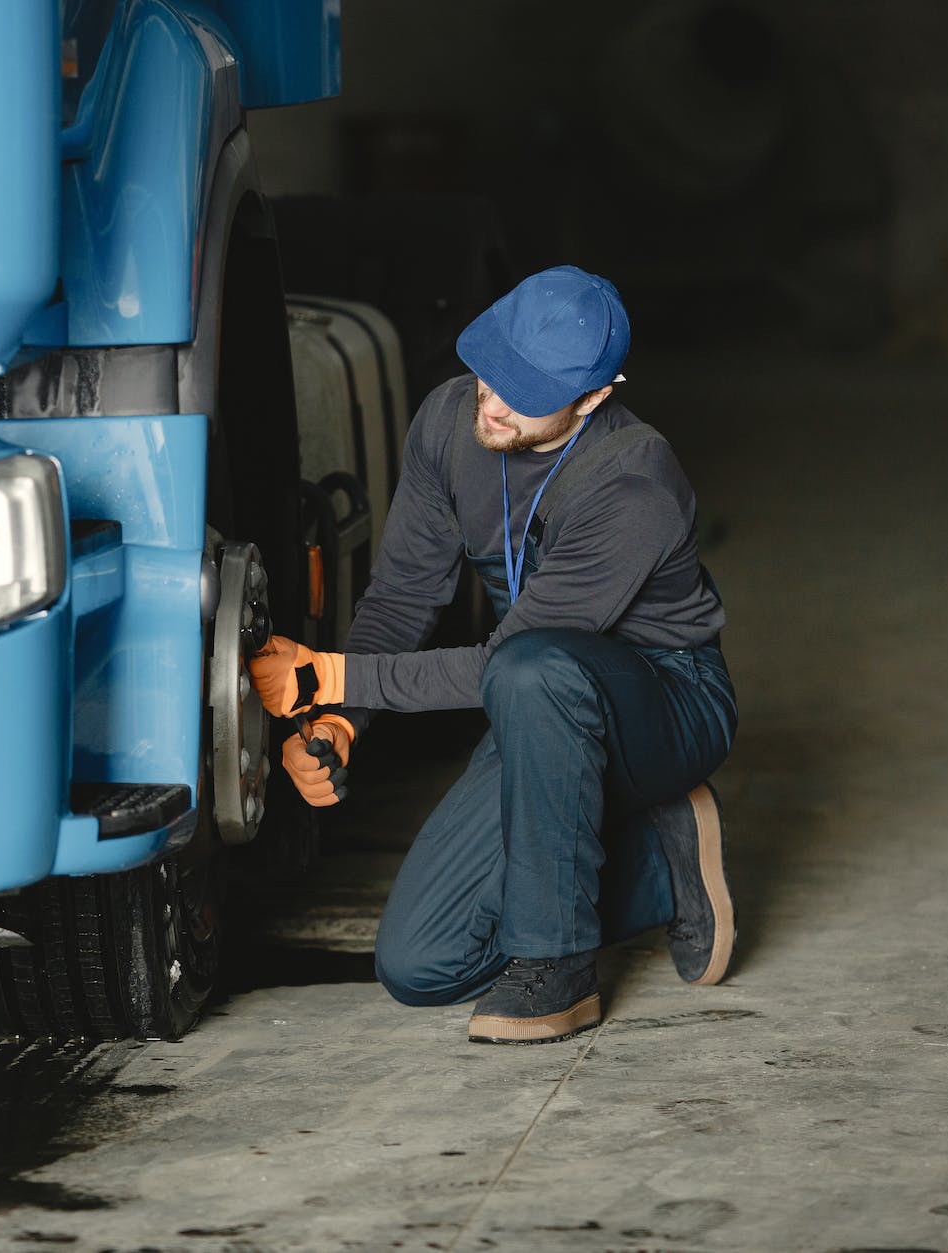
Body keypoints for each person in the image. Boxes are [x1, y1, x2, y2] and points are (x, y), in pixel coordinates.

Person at [247, 266, 737, 1044]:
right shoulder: (451, 419)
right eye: (491, 370)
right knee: (422, 963)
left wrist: (326, 673)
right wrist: (343, 717)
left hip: (664, 700)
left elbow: (502, 662)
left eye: (528, 390)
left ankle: (559, 970)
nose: (496, 401)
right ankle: (655, 864)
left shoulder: (633, 478)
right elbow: (406, 592)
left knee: (530, 668)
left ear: (594, 398)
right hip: (533, 701)